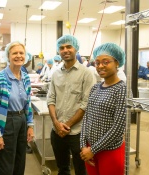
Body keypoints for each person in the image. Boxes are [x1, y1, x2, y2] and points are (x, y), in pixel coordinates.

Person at [47, 34, 94, 175]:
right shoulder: (55, 74)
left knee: (81, 170)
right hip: (57, 132)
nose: (65, 50)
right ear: (58, 51)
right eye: (61, 48)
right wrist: (56, 123)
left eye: (69, 47)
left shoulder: (86, 74)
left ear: (76, 49)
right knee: (63, 168)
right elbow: (51, 99)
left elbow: (86, 104)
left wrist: (66, 125)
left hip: (77, 133)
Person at [0, 41, 34, 175]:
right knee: (5, 166)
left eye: (21, 53)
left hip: (22, 120)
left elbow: (28, 104)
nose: (18, 56)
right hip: (6, 122)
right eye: (15, 53)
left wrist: (30, 126)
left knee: (20, 162)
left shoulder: (25, 77)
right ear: (8, 56)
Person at [80, 43, 126, 175]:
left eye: (106, 62)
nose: (100, 66)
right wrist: (84, 146)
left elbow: (118, 128)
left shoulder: (122, 90)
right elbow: (86, 118)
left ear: (117, 63)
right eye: (97, 62)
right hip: (89, 150)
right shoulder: (95, 87)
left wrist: (93, 150)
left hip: (110, 151)